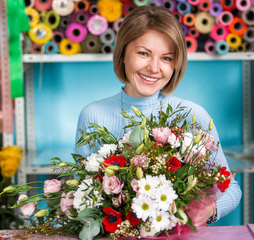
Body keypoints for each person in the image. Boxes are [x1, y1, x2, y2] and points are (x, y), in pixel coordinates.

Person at [75, 6, 241, 226]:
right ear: (123, 53)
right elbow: (82, 192)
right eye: (143, 53)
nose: (154, 68)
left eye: (166, 58)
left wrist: (209, 211)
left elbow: (231, 189)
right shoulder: (92, 115)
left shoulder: (192, 115)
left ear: (176, 64)